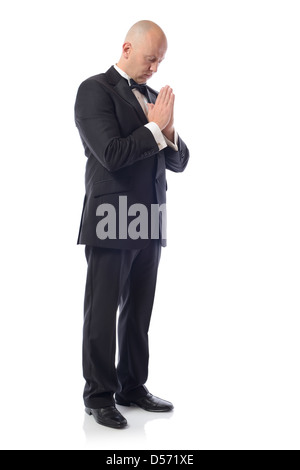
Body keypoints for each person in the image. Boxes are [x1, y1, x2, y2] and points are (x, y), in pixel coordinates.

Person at [74, 20, 189, 429]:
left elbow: (177, 160)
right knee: (103, 312)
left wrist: (169, 132)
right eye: (150, 59)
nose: (155, 68)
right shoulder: (94, 90)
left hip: (150, 218)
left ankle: (132, 386)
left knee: (139, 311)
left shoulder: (154, 97)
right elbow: (110, 153)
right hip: (111, 218)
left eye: (160, 61)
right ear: (127, 49)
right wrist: (155, 128)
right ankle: (99, 396)